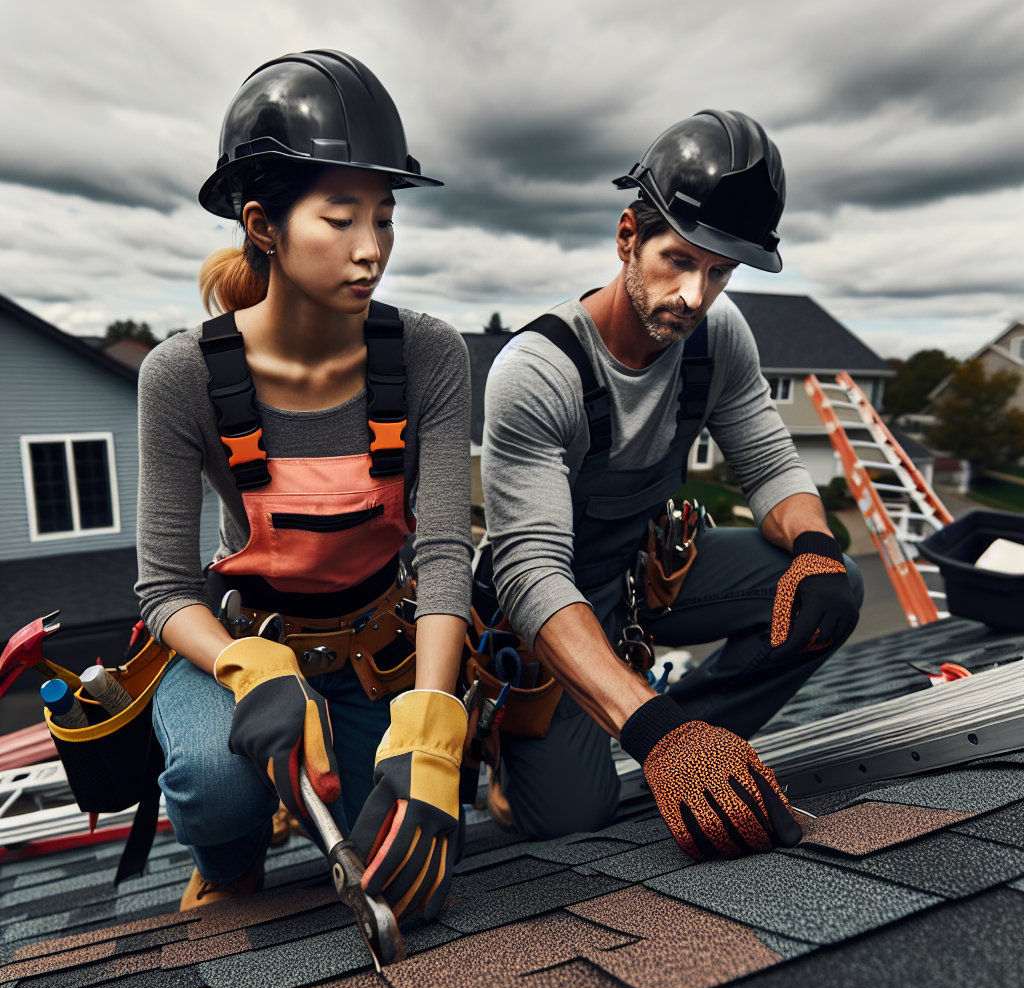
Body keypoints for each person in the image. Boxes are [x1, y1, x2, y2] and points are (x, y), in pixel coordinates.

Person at [136, 51, 472, 917]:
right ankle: (232, 860)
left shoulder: (430, 356)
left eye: (386, 219)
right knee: (215, 784)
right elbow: (164, 588)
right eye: (340, 218)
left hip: (376, 648)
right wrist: (248, 668)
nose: (372, 251)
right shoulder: (182, 377)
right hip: (240, 641)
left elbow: (441, 555)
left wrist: (432, 721)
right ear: (264, 226)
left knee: (402, 849)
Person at [481, 110, 862, 857]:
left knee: (834, 589)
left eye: (719, 273)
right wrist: (658, 734)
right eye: (678, 260)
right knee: (572, 818)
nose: (695, 294)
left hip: (645, 582)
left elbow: (770, 463)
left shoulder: (716, 340)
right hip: (547, 608)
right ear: (629, 236)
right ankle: (564, 743)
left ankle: (685, 740)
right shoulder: (540, 372)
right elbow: (528, 574)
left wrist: (815, 544)